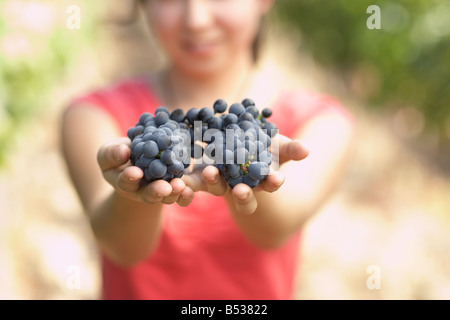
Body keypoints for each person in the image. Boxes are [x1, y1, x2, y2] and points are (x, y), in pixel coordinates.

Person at [61, 0, 354, 300]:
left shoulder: (322, 123)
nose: (196, 20)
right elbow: (121, 247)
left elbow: (274, 231)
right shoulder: (92, 117)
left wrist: (248, 171)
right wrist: (135, 191)